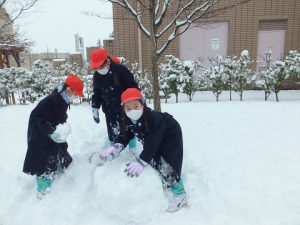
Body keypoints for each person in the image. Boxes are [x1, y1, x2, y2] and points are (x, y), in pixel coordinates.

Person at [99, 88, 188, 212]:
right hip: (154, 137)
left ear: (142, 104)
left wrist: (142, 161)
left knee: (167, 162)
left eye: (136, 106)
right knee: (154, 157)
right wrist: (116, 146)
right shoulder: (127, 119)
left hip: (170, 134)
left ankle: (180, 194)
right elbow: (125, 135)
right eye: (128, 108)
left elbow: (152, 144)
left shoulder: (153, 118)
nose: (132, 110)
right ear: (124, 109)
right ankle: (164, 179)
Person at [23, 75, 84, 199]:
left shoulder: (62, 99)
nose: (75, 97)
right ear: (68, 90)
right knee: (44, 157)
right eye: (75, 94)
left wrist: (63, 127)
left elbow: (59, 115)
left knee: (59, 149)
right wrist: (51, 132)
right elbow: (40, 118)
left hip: (52, 130)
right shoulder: (50, 101)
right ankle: (43, 187)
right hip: (40, 133)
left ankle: (66, 167)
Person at [90, 48, 138, 148]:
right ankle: (113, 151)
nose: (99, 70)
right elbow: (97, 93)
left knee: (129, 130)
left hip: (125, 108)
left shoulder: (121, 70)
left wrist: (137, 101)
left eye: (101, 66)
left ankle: (133, 150)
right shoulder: (97, 75)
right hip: (109, 109)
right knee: (112, 131)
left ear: (107, 61)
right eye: (96, 68)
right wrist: (95, 107)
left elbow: (132, 87)